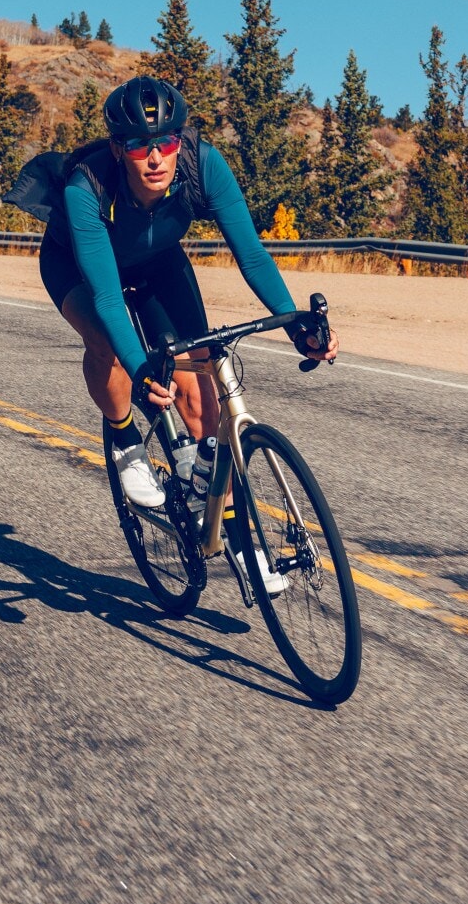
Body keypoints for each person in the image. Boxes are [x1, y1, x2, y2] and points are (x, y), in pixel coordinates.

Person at [36, 77, 337, 588]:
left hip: (158, 262)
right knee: (109, 344)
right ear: (118, 148)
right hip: (80, 269)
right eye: (137, 145)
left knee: (202, 394)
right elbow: (107, 298)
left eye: (166, 142)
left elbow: (253, 255)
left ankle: (233, 535)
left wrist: (295, 326)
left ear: (181, 140)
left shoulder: (205, 165)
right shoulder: (86, 186)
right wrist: (142, 370)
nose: (154, 157)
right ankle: (126, 442)